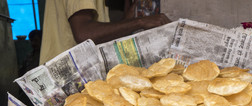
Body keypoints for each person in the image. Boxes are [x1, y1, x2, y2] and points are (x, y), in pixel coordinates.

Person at [40, 0, 171, 65]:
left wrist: (127, 21)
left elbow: (98, 33)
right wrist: (139, 22)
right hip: (65, 73)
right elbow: (83, 33)